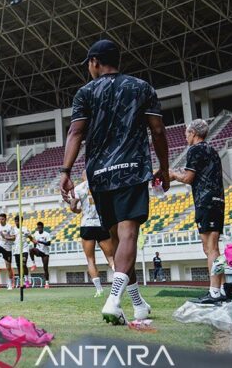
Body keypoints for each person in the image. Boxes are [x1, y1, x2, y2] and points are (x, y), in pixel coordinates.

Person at [60, 39, 168, 325]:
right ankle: (114, 298)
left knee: (119, 240)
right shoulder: (141, 87)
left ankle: (137, 303)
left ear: (94, 61)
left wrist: (65, 171)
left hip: (100, 175)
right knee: (127, 236)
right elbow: (157, 130)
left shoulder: (85, 92)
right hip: (132, 169)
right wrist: (164, 168)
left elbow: (75, 133)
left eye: (88, 64)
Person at [170, 119, 226, 304]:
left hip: (206, 200)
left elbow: (188, 178)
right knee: (211, 247)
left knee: (211, 248)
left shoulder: (195, 149)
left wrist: (173, 175)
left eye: (187, 133)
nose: (185, 136)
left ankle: (214, 292)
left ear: (193, 133)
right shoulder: (212, 150)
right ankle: (222, 288)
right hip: (217, 200)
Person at [70, 171, 116, 297]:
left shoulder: (79, 188)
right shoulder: (101, 184)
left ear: (83, 176)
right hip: (101, 223)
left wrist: (78, 210)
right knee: (111, 258)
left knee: (90, 259)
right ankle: (119, 283)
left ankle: (99, 290)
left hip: (87, 225)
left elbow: (73, 206)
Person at [0, 213, 16, 290]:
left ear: (5, 219)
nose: (1, 221)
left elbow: (13, 238)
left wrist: (6, 237)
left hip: (7, 248)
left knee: (8, 267)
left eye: (2, 219)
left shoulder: (10, 227)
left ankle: (9, 284)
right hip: (0, 246)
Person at [12, 215, 33, 289]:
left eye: (18, 221)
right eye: (16, 221)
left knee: (23, 264)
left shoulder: (25, 229)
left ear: (21, 221)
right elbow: (12, 238)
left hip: (24, 249)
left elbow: (30, 237)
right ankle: (22, 281)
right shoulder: (13, 230)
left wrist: (33, 241)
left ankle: (27, 280)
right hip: (16, 250)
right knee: (18, 266)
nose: (17, 222)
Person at [29, 221, 52, 286]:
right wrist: (35, 247)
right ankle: (34, 264)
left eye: (40, 227)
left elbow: (49, 243)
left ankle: (47, 283)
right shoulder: (36, 233)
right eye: (38, 227)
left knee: (45, 268)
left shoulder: (46, 234)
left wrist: (41, 242)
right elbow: (34, 242)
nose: (39, 229)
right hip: (39, 251)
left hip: (45, 253)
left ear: (42, 227)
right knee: (31, 250)